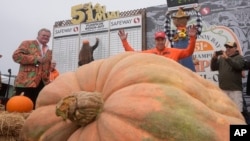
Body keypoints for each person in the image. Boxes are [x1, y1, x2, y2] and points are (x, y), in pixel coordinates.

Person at [12, 28, 52, 108]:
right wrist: (35, 59)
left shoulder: (49, 51)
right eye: (44, 35)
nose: (46, 37)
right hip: (26, 82)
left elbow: (48, 67)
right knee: (20, 107)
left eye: (48, 36)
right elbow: (16, 56)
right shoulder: (27, 43)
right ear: (38, 35)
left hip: (42, 84)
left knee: (36, 107)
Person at [118, 25, 197, 62]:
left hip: (171, 84)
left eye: (162, 40)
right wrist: (124, 41)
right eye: (158, 40)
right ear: (155, 41)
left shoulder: (174, 52)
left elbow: (188, 52)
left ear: (165, 40)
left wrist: (192, 38)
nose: (160, 42)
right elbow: (133, 54)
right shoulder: (149, 53)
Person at [210, 41, 245, 113]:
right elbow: (213, 68)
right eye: (226, 47)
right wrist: (214, 59)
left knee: (238, 112)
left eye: (230, 47)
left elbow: (238, 66)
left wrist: (227, 58)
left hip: (235, 90)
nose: (227, 49)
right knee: (226, 112)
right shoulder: (222, 58)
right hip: (223, 90)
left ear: (235, 48)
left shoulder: (239, 57)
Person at [164, 7, 202, 71]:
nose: (180, 20)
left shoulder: (189, 31)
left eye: (182, 18)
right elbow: (199, 27)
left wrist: (167, 16)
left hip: (186, 65)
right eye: (179, 19)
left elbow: (166, 29)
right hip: (178, 65)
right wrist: (198, 13)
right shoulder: (175, 33)